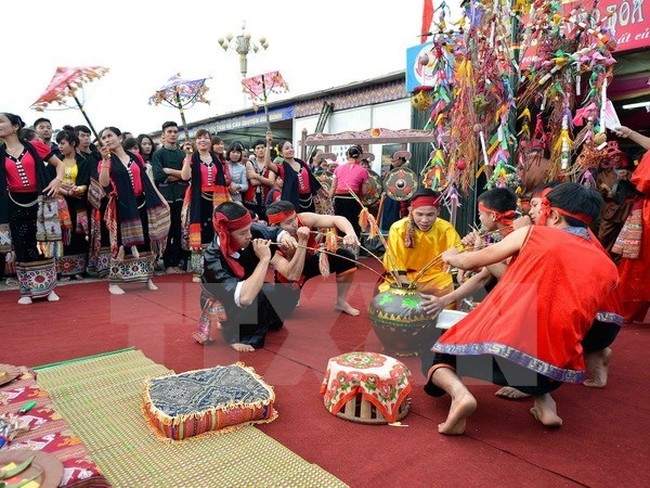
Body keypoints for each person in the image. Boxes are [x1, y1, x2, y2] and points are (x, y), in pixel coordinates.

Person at [423, 183, 618, 435]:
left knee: (438, 354)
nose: (535, 214)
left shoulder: (533, 235)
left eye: (539, 207)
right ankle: (546, 406)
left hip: (508, 355)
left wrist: (451, 256)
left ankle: (461, 396)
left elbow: (470, 262)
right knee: (546, 335)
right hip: (553, 373)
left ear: (555, 215)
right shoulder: (607, 264)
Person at [200, 202, 302, 352]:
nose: (249, 236)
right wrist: (265, 259)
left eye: (249, 230)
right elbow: (244, 298)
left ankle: (253, 322)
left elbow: (274, 232)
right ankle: (235, 335)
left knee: (271, 294)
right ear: (226, 234)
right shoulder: (213, 259)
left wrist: (286, 237)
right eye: (243, 233)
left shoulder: (249, 230)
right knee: (254, 297)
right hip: (225, 299)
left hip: (247, 286)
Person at [0, 113, 64, 304]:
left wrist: (57, 180)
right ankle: (27, 291)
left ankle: (49, 288)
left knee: (44, 243)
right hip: (14, 202)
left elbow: (59, 164)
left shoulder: (34, 146)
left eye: (1, 121)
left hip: (40, 200)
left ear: (15, 127)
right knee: (22, 244)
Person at [98, 127, 170, 295]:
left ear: (120, 137)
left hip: (142, 201)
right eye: (104, 137)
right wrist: (105, 161)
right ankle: (114, 282)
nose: (107, 139)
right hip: (122, 205)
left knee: (145, 239)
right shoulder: (106, 160)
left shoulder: (135, 157)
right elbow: (104, 182)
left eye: (110, 135)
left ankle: (147, 278)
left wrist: (160, 198)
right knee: (121, 242)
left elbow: (147, 180)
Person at [266, 200, 361, 316]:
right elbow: (292, 274)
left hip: (312, 258)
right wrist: (302, 240)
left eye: (294, 218)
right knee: (283, 312)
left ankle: (341, 302)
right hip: (292, 272)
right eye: (289, 222)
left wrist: (350, 232)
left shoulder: (303, 219)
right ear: (276, 227)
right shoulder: (271, 244)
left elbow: (337, 219)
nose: (295, 224)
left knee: (347, 258)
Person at [379, 189, 461, 297]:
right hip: (404, 277)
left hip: (435, 277)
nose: (424, 220)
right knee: (388, 298)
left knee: (449, 286)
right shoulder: (398, 228)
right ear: (411, 210)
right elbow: (395, 262)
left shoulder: (446, 229)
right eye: (419, 214)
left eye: (430, 214)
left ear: (438, 211)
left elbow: (458, 254)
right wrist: (408, 288)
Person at [180, 129, 232, 282]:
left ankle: (214, 268)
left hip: (216, 200)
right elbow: (185, 177)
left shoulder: (216, 159)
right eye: (200, 138)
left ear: (211, 141)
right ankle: (197, 271)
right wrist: (188, 155)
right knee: (198, 235)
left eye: (206, 138)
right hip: (198, 200)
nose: (203, 140)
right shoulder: (192, 158)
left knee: (215, 232)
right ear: (195, 142)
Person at [612, 126, 650, 323]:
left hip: (647, 211)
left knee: (639, 262)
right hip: (645, 209)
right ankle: (626, 310)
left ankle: (626, 311)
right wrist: (631, 134)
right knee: (638, 261)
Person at [152, 121, 188, 274]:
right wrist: (179, 174)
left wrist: (169, 170)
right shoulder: (158, 154)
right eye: (169, 132)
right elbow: (159, 175)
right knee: (168, 230)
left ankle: (179, 261)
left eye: (175, 132)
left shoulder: (183, 154)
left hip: (182, 195)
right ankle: (168, 263)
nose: (173, 134)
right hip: (165, 197)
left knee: (181, 229)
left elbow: (188, 175)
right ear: (163, 135)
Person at [55, 128, 90, 280]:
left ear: (73, 143)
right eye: (58, 144)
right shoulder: (56, 160)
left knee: (79, 234)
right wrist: (64, 190)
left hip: (78, 202)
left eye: (63, 143)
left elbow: (86, 181)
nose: (60, 147)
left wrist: (79, 188)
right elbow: (51, 180)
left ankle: (79, 270)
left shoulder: (83, 161)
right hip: (60, 202)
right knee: (63, 234)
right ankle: (63, 270)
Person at [264, 131, 323, 212]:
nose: (291, 150)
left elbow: (312, 179)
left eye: (292, 147)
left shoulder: (302, 163)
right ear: (281, 153)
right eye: (287, 148)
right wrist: (268, 144)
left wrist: (322, 192)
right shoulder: (282, 168)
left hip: (309, 199)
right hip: (293, 201)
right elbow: (267, 164)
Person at [329, 144, 370, 238]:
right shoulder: (363, 171)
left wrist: (329, 201)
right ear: (360, 156)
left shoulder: (338, 169)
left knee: (340, 222)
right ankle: (353, 246)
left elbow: (333, 187)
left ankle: (340, 245)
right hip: (352, 199)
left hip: (339, 199)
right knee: (353, 223)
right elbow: (364, 192)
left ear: (348, 156)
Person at [244, 138, 275, 221]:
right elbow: (253, 182)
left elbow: (272, 182)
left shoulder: (270, 164)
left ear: (266, 149)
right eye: (258, 148)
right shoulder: (249, 162)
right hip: (251, 199)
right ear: (254, 151)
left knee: (267, 221)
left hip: (267, 198)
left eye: (262, 147)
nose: (261, 150)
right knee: (253, 222)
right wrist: (266, 180)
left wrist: (256, 175)